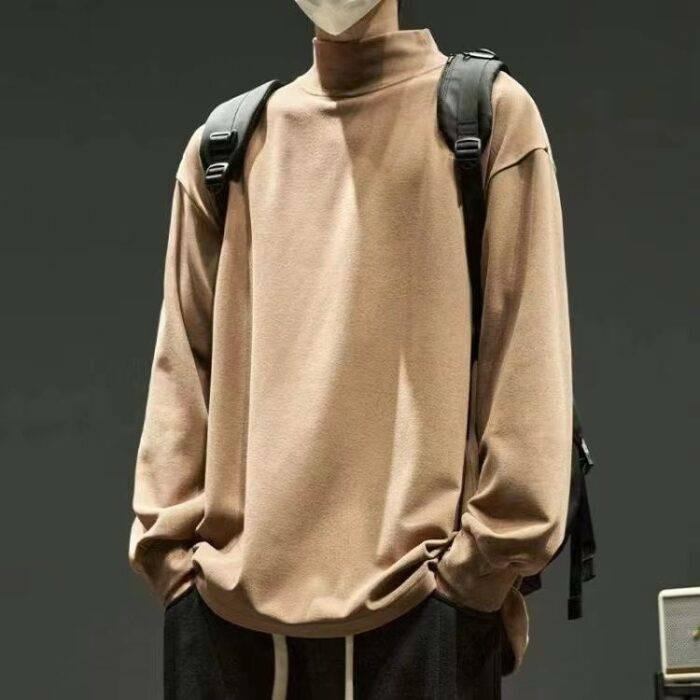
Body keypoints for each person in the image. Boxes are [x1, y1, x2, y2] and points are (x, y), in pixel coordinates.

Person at [127, 0, 573, 697]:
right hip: (229, 632)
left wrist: (477, 571)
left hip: (422, 620)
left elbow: (527, 364)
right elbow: (180, 372)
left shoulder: (487, 119)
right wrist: (174, 563)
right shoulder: (226, 148)